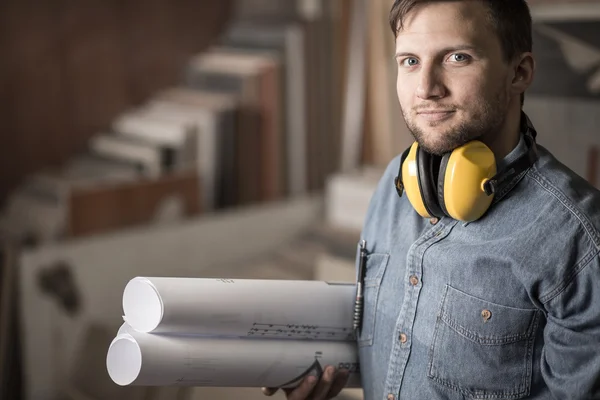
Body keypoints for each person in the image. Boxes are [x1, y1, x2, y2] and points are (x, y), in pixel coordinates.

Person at [263, 0, 600, 399]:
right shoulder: (395, 182)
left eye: (458, 57)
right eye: (409, 61)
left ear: (519, 72)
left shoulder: (578, 238)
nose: (425, 87)